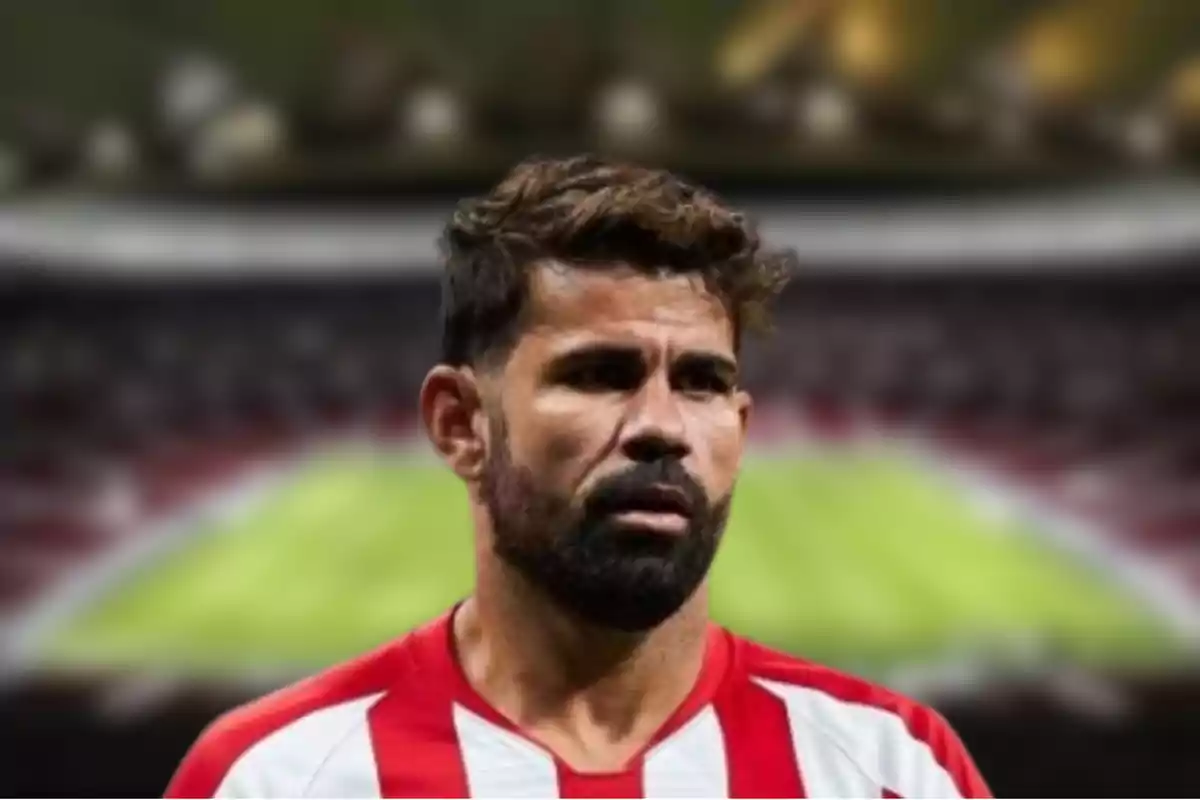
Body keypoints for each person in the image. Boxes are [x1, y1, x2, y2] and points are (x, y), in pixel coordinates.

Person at [165, 155, 991, 798]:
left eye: (701, 381)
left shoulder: (892, 772)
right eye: (600, 374)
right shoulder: (273, 780)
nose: (663, 427)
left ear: (739, 427)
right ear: (460, 423)